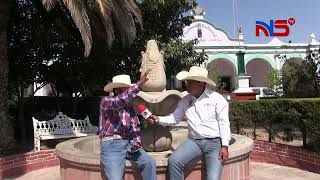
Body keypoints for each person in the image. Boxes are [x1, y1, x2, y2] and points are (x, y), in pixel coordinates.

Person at [149, 66, 231, 180]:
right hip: (194, 142)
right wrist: (159, 119)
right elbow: (174, 118)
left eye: (190, 82)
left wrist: (225, 146)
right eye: (187, 82)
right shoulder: (185, 100)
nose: (187, 85)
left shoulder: (217, 99)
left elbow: (224, 123)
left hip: (214, 143)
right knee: (174, 161)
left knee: (213, 178)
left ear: (200, 83)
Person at [99, 72, 156, 180]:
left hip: (128, 144)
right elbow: (119, 101)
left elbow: (135, 127)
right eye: (127, 90)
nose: (132, 94)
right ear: (117, 90)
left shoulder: (130, 107)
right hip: (111, 145)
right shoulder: (106, 102)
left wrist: (136, 143)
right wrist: (139, 84)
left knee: (149, 163)